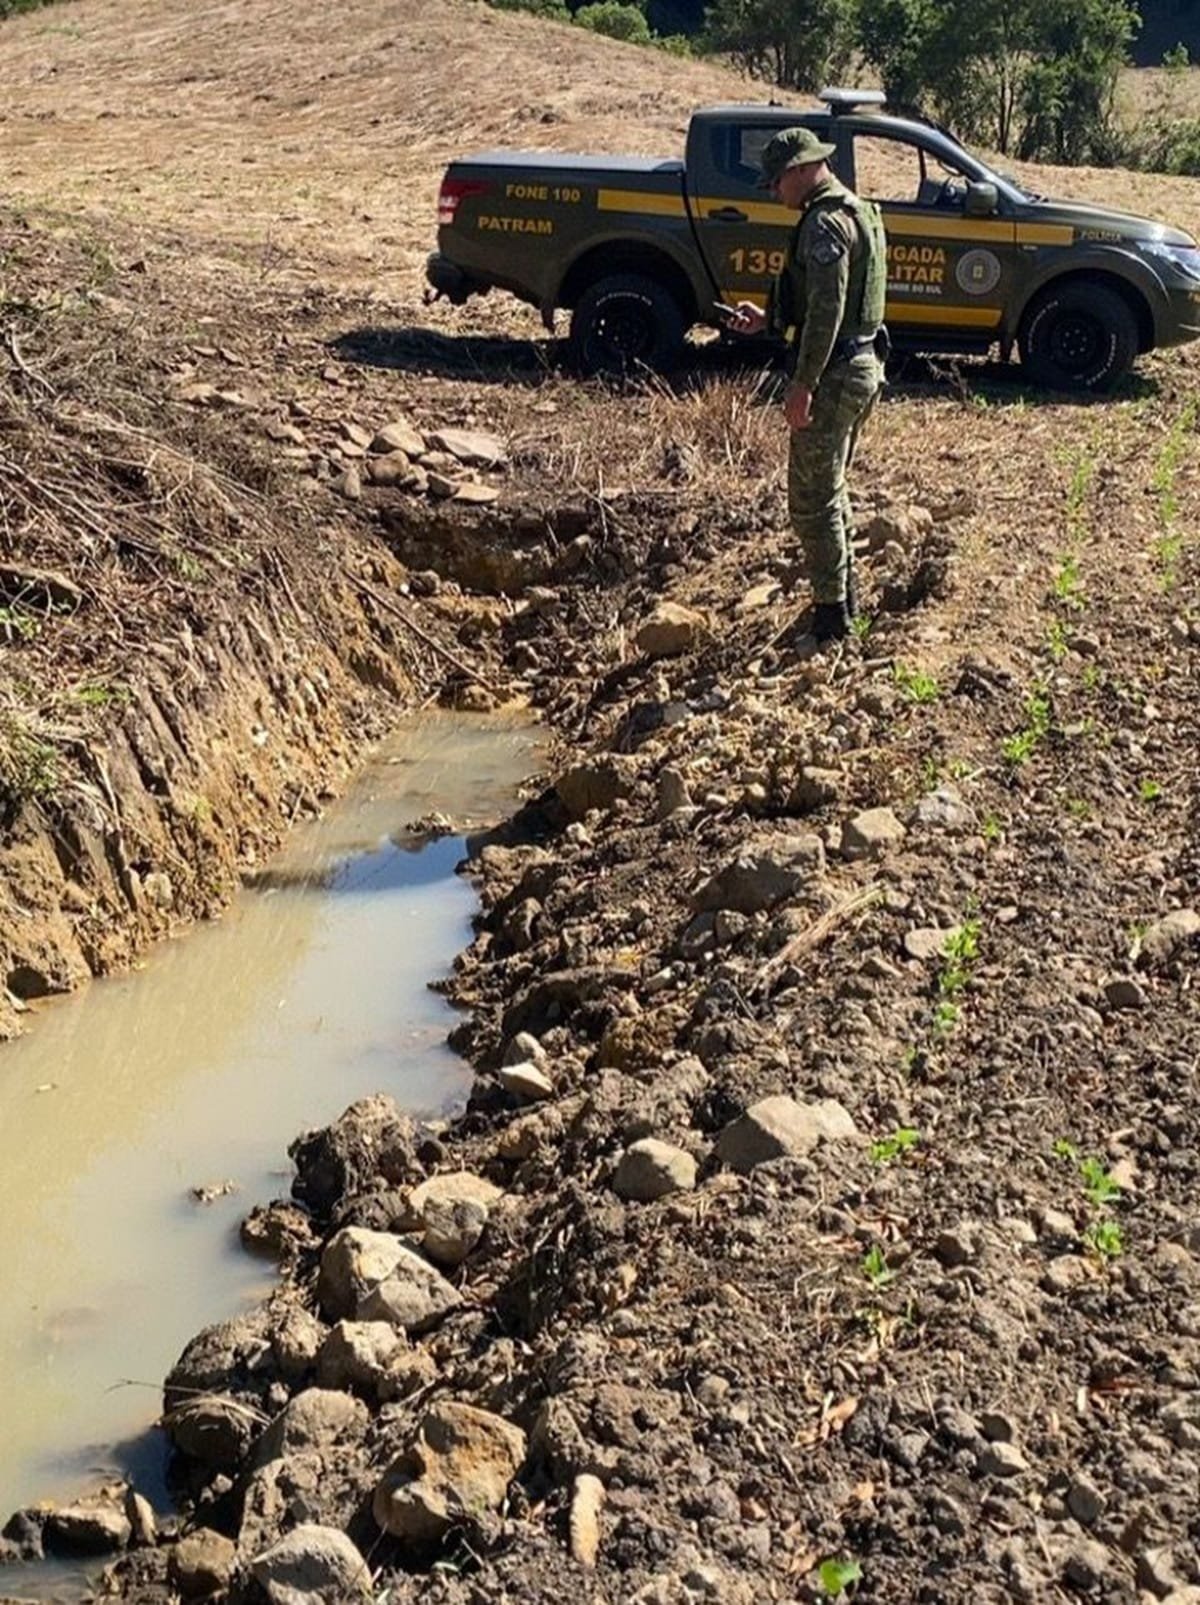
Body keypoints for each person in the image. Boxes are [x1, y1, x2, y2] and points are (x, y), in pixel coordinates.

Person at [728, 127, 888, 651]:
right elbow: (819, 306)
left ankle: (831, 621)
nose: (776, 193)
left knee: (811, 499)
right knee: (830, 489)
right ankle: (843, 601)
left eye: (777, 182)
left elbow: (827, 312)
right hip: (859, 366)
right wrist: (768, 317)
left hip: (836, 374)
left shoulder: (825, 222)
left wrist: (804, 385)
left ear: (800, 170)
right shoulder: (854, 210)